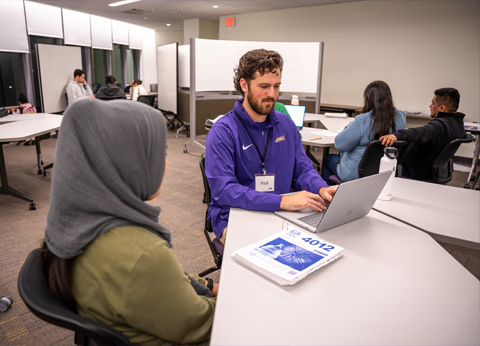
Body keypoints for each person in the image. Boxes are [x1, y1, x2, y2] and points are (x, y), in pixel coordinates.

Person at [40, 98, 216, 345]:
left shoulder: (74, 223)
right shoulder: (141, 255)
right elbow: (203, 323)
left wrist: (208, 284)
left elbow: (167, 281)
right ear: (127, 161)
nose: (166, 164)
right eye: (158, 153)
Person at [205, 49, 337, 244]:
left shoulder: (286, 124)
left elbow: (302, 170)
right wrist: (283, 201)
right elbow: (225, 191)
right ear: (244, 85)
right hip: (236, 215)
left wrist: (321, 188)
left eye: (276, 86)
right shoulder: (223, 131)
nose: (271, 94)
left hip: (283, 212)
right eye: (264, 86)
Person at [321, 81, 406, 184]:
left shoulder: (362, 120)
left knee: (328, 159)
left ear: (368, 98)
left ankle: (326, 196)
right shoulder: (401, 118)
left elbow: (340, 144)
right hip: (384, 173)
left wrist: (349, 127)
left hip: (356, 174)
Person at [380, 87, 466, 180]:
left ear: (442, 108)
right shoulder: (458, 124)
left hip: (415, 172)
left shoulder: (439, 126)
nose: (430, 106)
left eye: (433, 103)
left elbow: (423, 132)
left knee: (378, 162)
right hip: (436, 172)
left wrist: (396, 135)